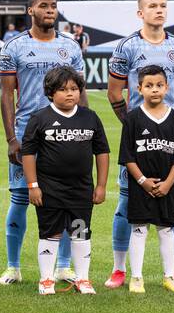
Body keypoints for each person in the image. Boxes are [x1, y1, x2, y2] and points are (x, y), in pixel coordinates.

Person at [106, 0, 174, 288]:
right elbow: (114, 93)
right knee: (126, 205)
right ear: (140, 12)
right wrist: (135, 124)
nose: (159, 10)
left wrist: (170, 123)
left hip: (169, 140)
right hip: (139, 143)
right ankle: (120, 269)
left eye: (162, 5)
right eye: (152, 6)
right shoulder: (126, 47)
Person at [0, 0, 85, 285]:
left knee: (65, 201)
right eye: (43, 6)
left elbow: (79, 93)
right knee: (21, 198)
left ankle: (62, 266)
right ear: (30, 10)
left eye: (54, 6)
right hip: (28, 133)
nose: (50, 10)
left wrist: (84, 132)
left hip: (66, 134)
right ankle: (13, 267)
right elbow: (7, 95)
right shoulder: (14, 47)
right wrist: (12, 137)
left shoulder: (70, 47)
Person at [21, 66, 110, 295]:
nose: (70, 93)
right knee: (51, 233)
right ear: (50, 93)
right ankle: (46, 279)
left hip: (81, 189)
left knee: (80, 232)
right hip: (49, 188)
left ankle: (82, 279)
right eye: (63, 89)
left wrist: (101, 185)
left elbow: (102, 152)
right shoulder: (40, 118)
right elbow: (28, 154)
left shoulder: (90, 117)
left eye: (74, 89)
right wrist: (33, 186)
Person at [119, 64, 174, 293]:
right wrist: (142, 181)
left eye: (159, 85)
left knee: (166, 229)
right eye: (149, 86)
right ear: (139, 89)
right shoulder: (133, 118)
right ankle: (136, 277)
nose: (155, 90)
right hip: (141, 186)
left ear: (167, 87)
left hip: (167, 185)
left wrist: (168, 183)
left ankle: (169, 276)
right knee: (139, 229)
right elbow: (127, 155)